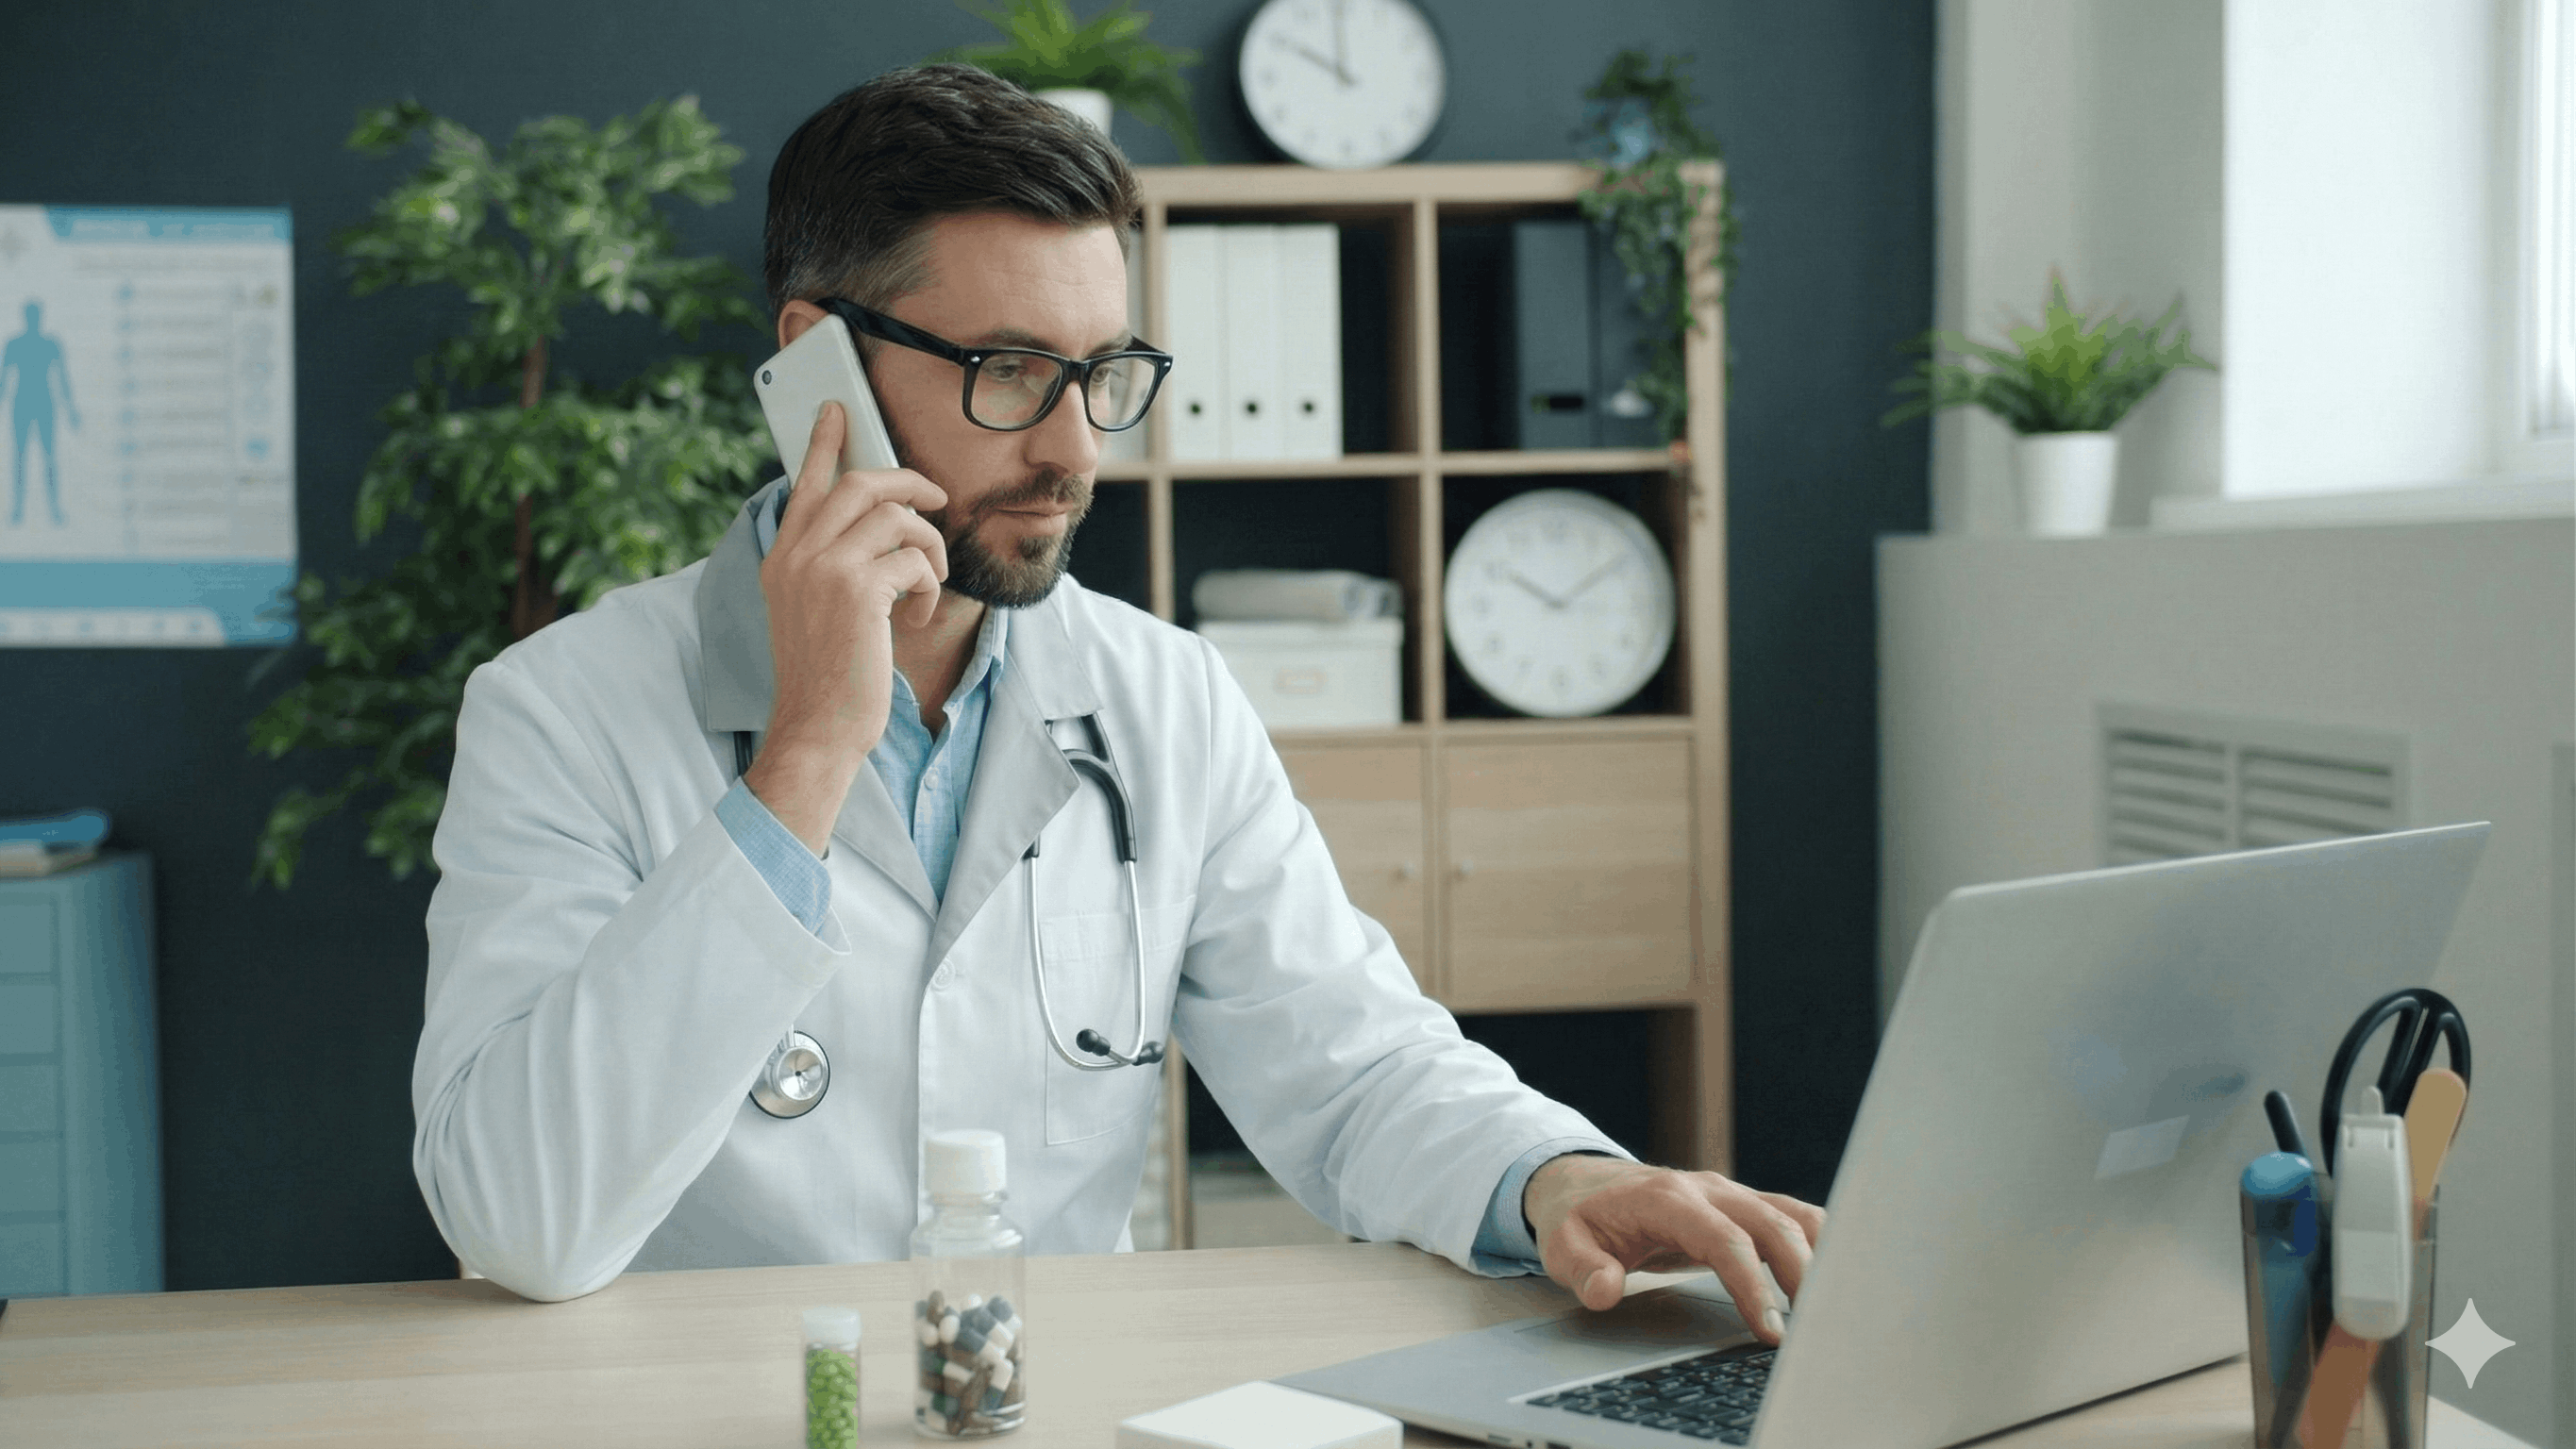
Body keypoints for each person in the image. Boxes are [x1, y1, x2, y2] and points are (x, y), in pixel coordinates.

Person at [413, 65, 1823, 1334]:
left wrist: (1553, 1178)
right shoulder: (560, 711)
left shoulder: (1159, 698)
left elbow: (1351, 1066)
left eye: (1105, 375)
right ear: (813, 365)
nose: (1073, 448)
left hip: (1044, 1409)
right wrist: (805, 754)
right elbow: (517, 1221)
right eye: (1012, 372)